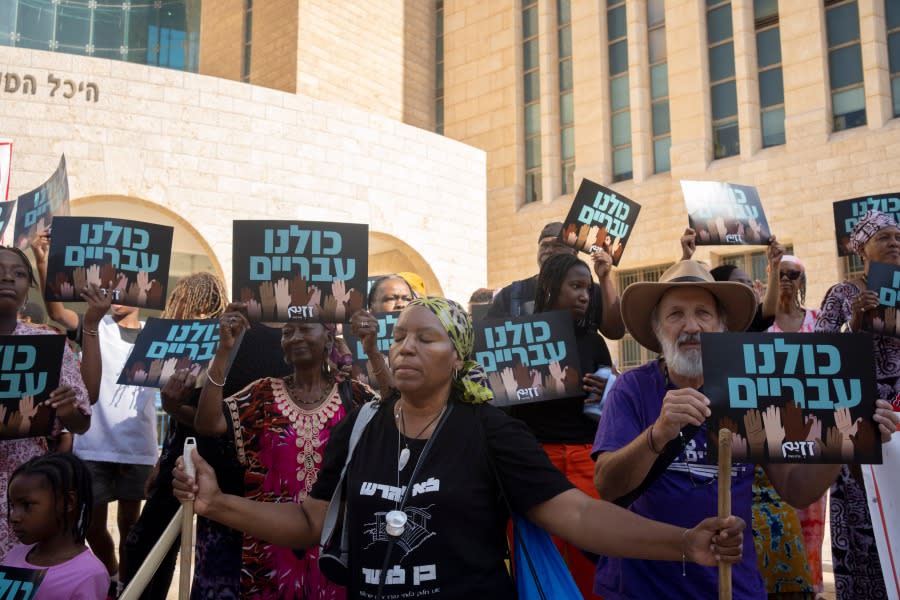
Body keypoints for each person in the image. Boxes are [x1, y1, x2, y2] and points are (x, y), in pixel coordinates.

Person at [175, 296, 748, 599]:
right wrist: (217, 502)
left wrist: (683, 544)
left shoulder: (489, 431)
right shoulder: (362, 423)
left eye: (426, 338)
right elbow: (310, 521)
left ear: (459, 356)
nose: (404, 348)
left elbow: (576, 514)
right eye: (399, 337)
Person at [592, 260, 900, 599]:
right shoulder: (632, 389)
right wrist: (657, 434)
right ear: (657, 329)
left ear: (721, 327)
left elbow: (795, 489)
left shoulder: (749, 388)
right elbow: (608, 486)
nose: (691, 325)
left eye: (704, 314)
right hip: (640, 588)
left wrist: (846, 439)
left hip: (732, 587)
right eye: (675, 314)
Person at [193, 303, 377, 598]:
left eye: (305, 329)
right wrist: (224, 351)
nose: (295, 337)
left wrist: (374, 351)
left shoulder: (356, 397)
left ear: (329, 339)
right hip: (268, 549)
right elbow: (207, 423)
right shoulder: (261, 394)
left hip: (336, 550)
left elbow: (399, 416)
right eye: (288, 332)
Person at [33, 231, 158, 595]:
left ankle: (129, 585)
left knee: (132, 526)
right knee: (92, 527)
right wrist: (44, 261)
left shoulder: (154, 333)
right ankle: (115, 576)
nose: (116, 295)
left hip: (137, 446)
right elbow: (56, 312)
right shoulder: (95, 324)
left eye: (124, 287)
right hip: (92, 445)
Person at [507, 253, 614, 598]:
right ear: (552, 288)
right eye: (576, 286)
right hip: (535, 461)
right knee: (541, 558)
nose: (585, 295)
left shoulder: (595, 341)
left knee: (593, 555)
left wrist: (609, 389)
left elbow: (609, 408)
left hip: (587, 459)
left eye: (588, 288)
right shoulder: (516, 338)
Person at [120, 272, 231, 600]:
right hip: (179, 457)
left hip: (203, 458)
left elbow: (207, 422)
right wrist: (162, 460)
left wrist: (173, 408)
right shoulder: (213, 342)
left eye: (190, 305)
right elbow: (180, 426)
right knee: (153, 540)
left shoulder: (220, 346)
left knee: (154, 541)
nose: (184, 313)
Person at [815, 209, 900, 599]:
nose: (895, 242)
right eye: (884, 237)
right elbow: (816, 359)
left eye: (898, 236)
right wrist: (853, 323)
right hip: (858, 434)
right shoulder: (843, 294)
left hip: (898, 428)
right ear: (862, 249)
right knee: (865, 526)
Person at [0, 246, 91, 559]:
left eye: (19, 273)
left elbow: (82, 421)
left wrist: (68, 410)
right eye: (0, 270)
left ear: (28, 289)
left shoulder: (50, 343)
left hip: (27, 496)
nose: (8, 277)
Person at [762, 254, 825, 598]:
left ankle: (810, 588)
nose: (787, 279)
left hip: (813, 434)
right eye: (781, 273)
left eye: (794, 274)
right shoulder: (760, 326)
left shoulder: (818, 320)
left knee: (811, 520)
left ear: (802, 280)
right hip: (772, 434)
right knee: (776, 513)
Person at [2, 453, 109, 599]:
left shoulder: (88, 574)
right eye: (13, 506)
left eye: (27, 505)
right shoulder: (14, 556)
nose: (13, 517)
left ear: (69, 502)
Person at [681, 226, 781, 332]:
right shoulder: (701, 325)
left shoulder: (750, 322)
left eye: (750, 284)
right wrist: (685, 258)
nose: (749, 288)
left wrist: (775, 265)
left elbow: (770, 309)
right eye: (740, 283)